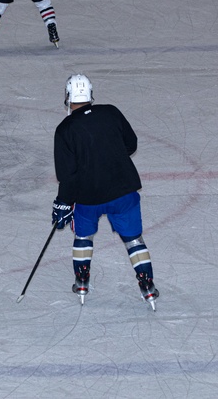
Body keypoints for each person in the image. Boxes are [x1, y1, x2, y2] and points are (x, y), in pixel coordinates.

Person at [51, 74, 158, 307]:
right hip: (123, 192)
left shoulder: (65, 129)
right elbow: (131, 143)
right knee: (134, 240)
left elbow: (66, 176)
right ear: (91, 94)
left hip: (88, 198)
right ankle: (147, 285)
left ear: (68, 98)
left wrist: (62, 203)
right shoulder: (111, 112)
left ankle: (81, 282)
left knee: (83, 236)